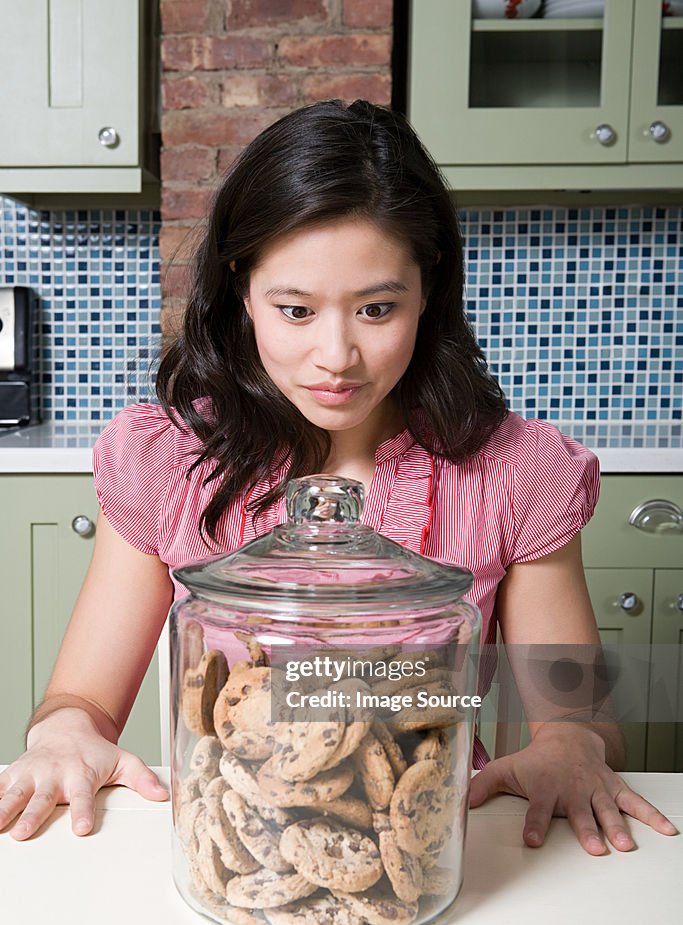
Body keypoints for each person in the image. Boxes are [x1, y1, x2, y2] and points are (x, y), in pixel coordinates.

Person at [0, 99, 676, 854]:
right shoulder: (167, 461)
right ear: (240, 289)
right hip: (227, 841)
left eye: (377, 308)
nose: (336, 355)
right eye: (294, 310)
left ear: (429, 291)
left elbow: (575, 712)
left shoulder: (514, 474)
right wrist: (61, 734)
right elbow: (83, 698)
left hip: (430, 847)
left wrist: (572, 748)